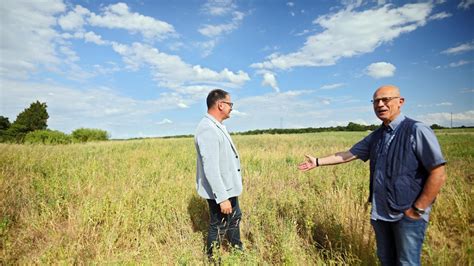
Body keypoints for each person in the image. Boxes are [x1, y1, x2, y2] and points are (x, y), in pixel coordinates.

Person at [298, 85, 446, 265]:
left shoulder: (417, 130)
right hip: (381, 214)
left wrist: (418, 210)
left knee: (407, 262)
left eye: (386, 100)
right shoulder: (377, 135)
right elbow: (348, 155)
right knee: (386, 260)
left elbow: (438, 172)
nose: (380, 105)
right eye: (376, 101)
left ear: (400, 102)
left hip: (407, 214)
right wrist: (318, 161)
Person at [194, 89, 243, 259]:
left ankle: (237, 250)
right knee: (219, 225)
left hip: (228, 187)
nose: (231, 108)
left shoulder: (217, 125)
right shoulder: (207, 129)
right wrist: (222, 198)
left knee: (235, 217)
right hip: (221, 190)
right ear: (220, 105)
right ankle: (213, 259)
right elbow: (211, 168)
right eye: (230, 104)